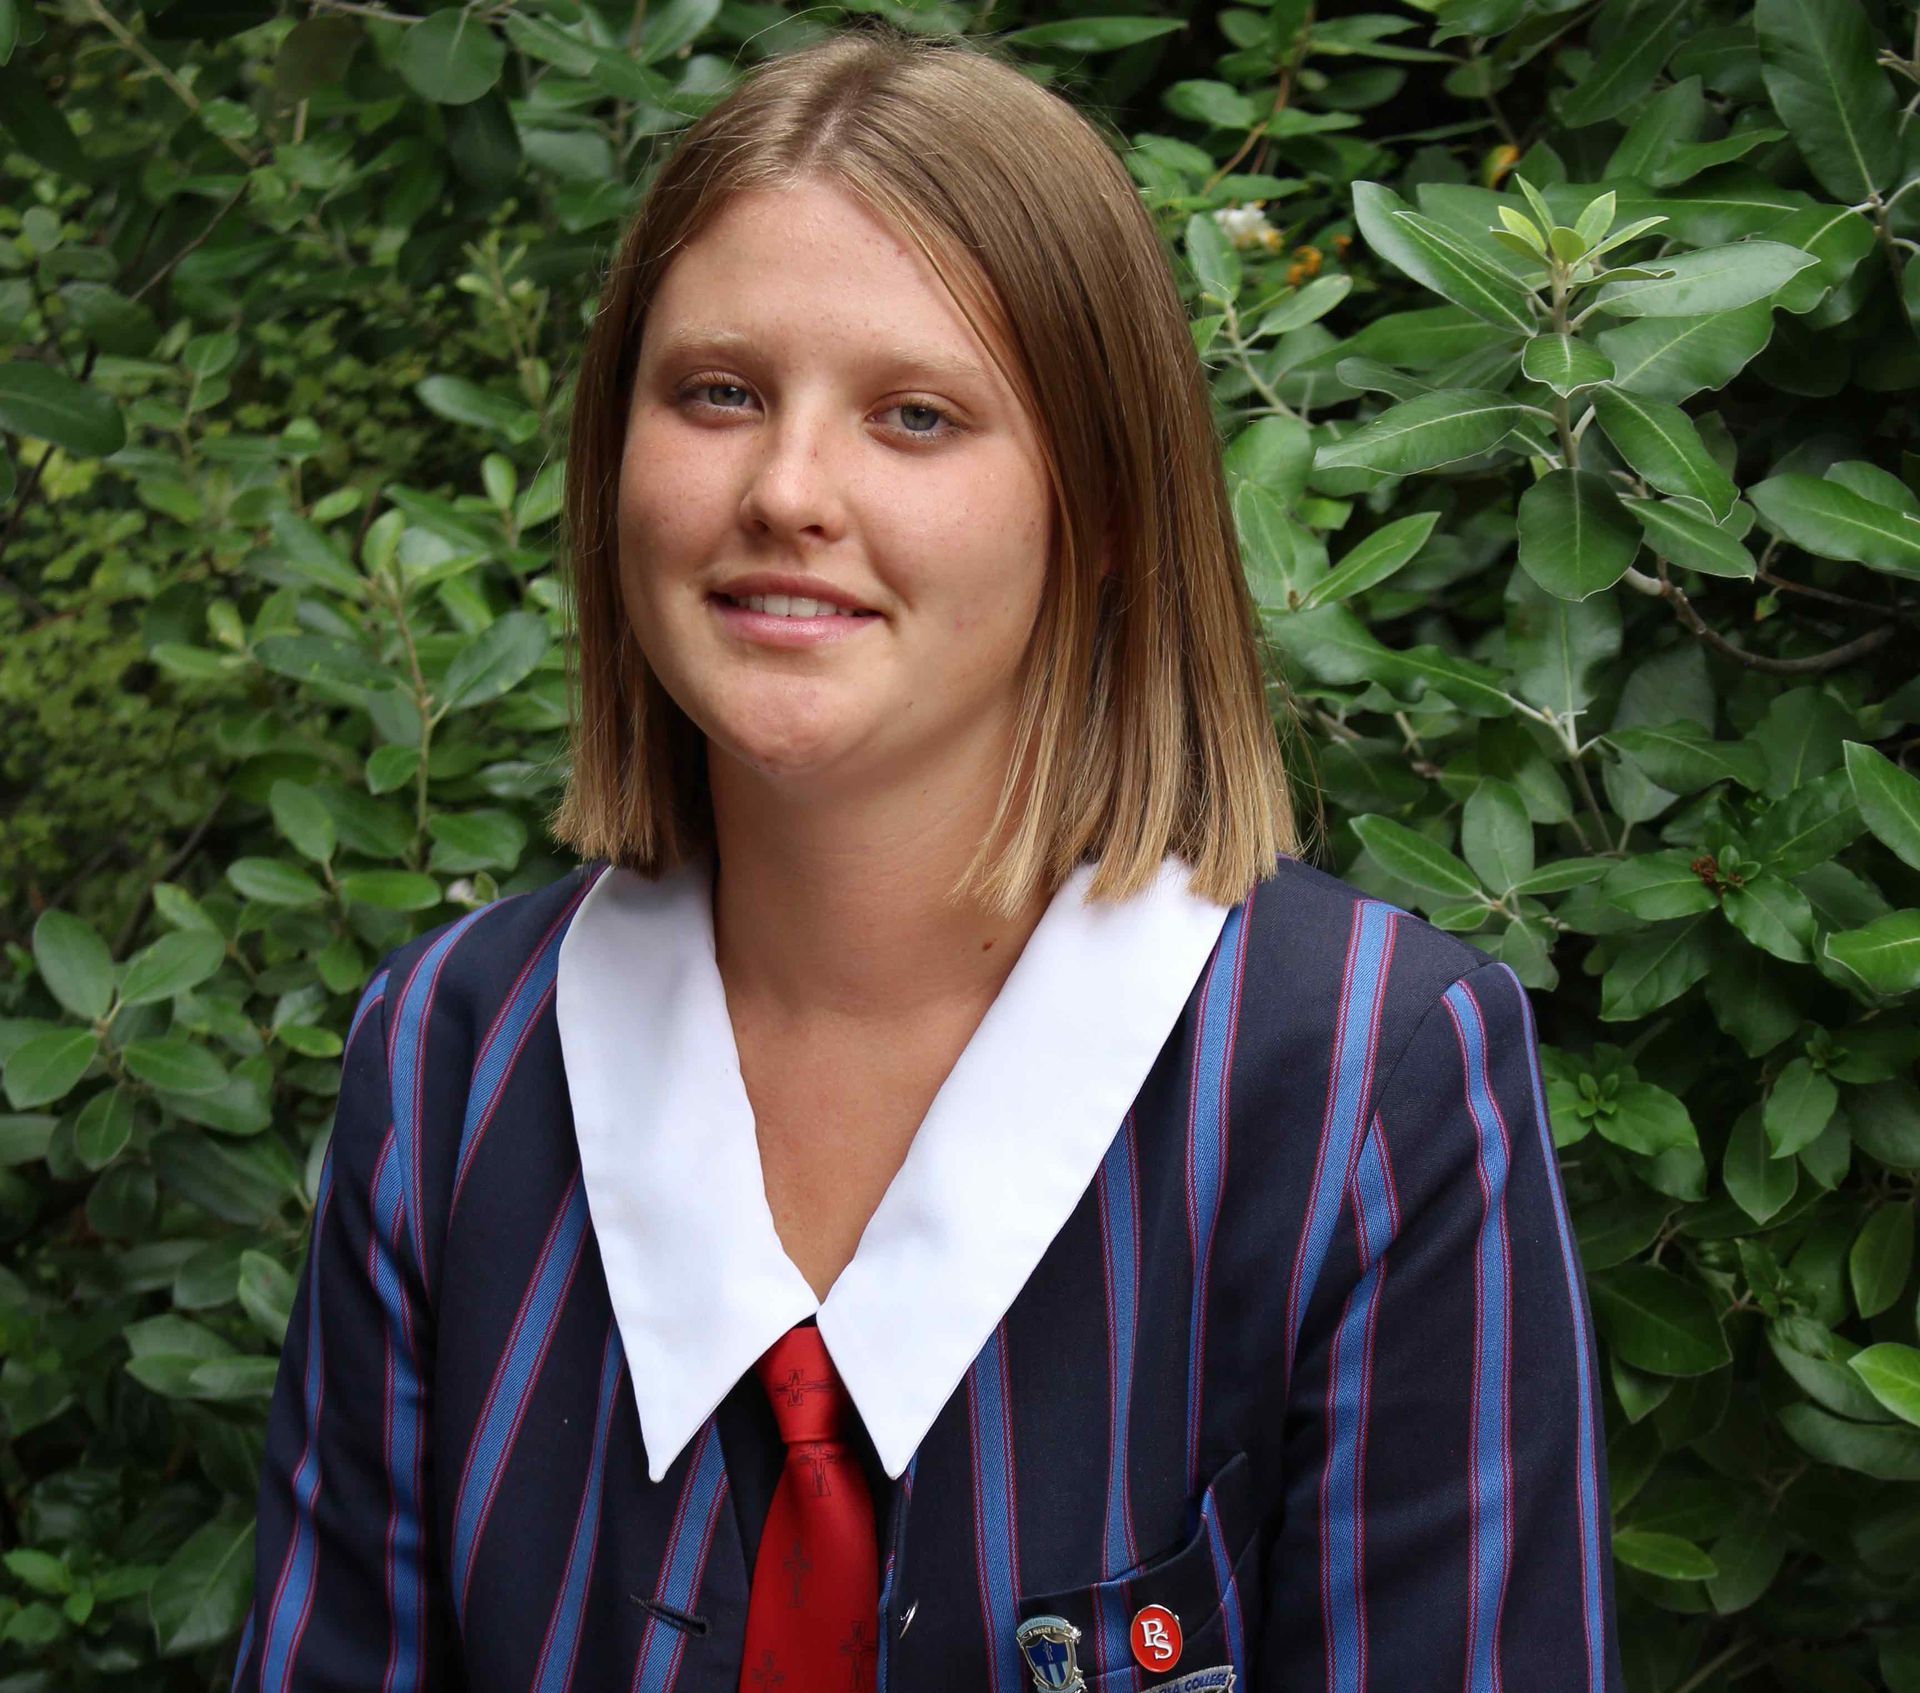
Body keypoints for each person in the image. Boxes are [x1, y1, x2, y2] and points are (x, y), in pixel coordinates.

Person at [230, 20, 1624, 1693]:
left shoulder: (1363, 1086)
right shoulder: (451, 1055)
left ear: (1102, 509)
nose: (788, 489)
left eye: (914, 414)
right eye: (719, 393)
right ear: (615, 455)